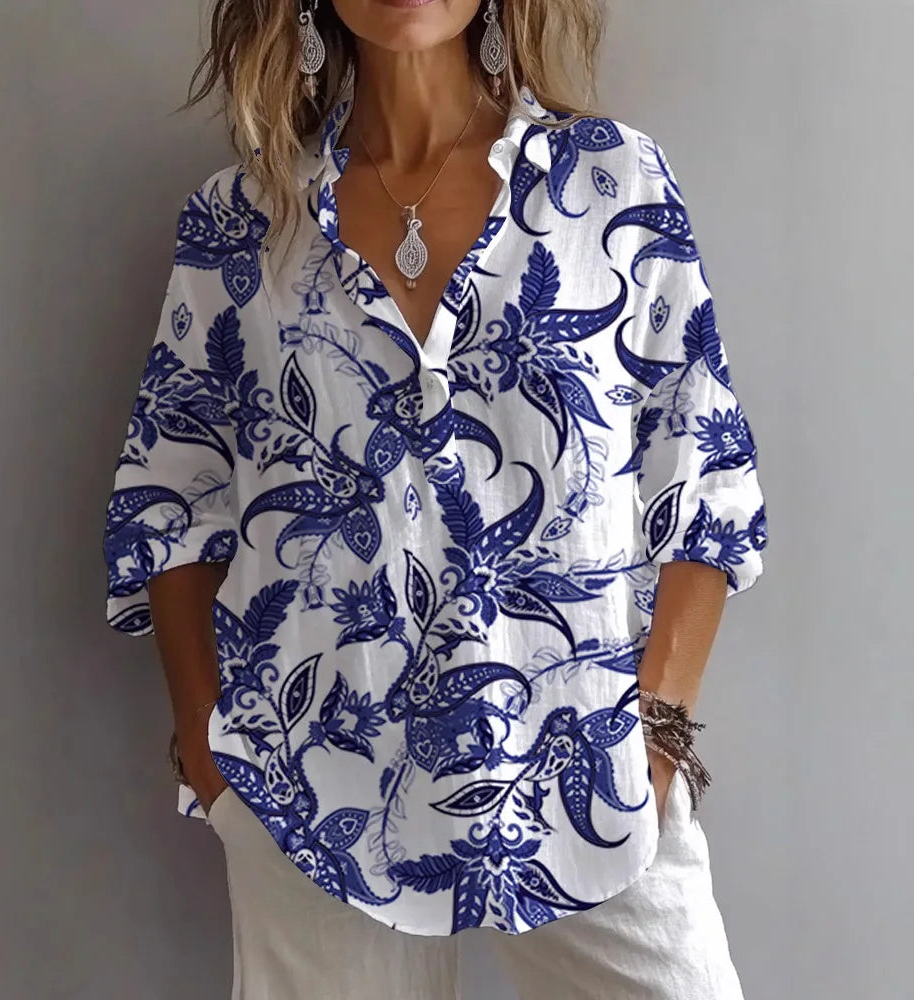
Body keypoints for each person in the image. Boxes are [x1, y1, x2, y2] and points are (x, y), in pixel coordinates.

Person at [101, 1, 768, 997]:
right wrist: (209, 751)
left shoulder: (609, 183)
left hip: (585, 765)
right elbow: (170, 494)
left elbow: (702, 463)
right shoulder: (241, 221)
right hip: (311, 785)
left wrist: (658, 730)